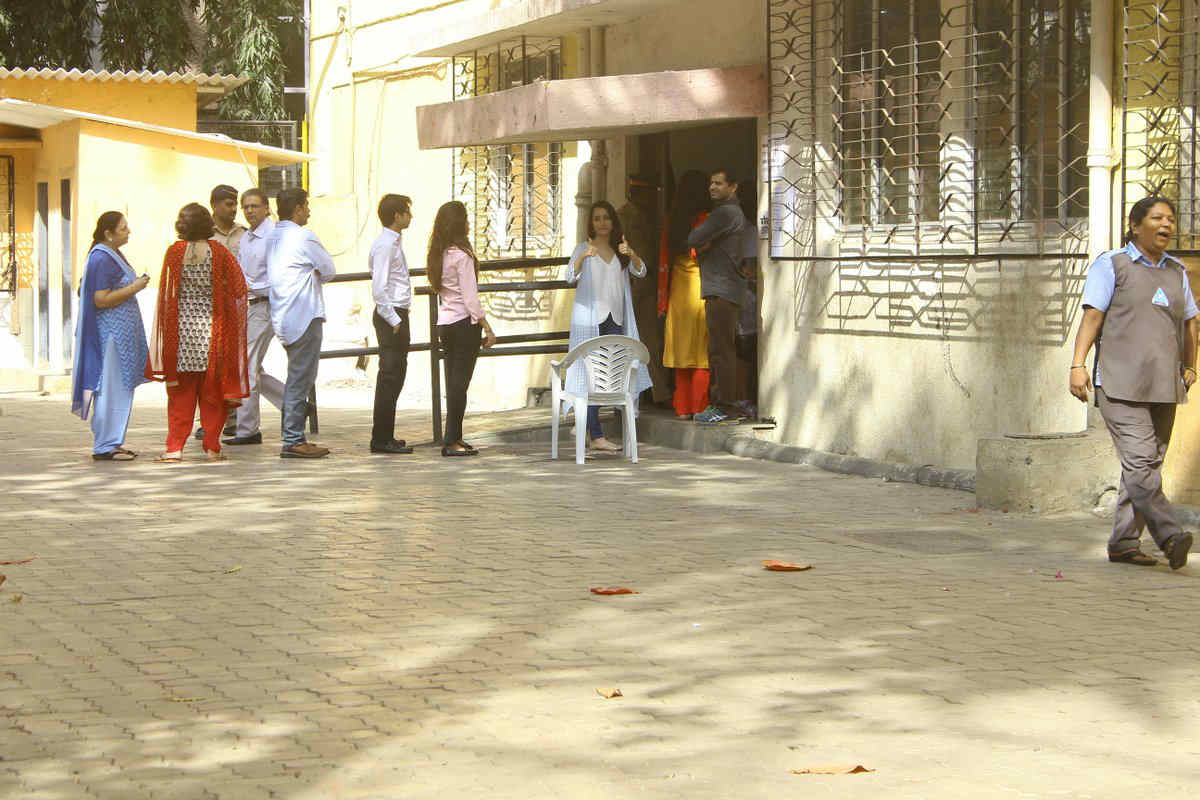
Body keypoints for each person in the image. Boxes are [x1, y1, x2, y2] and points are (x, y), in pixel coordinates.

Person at [1070, 196, 1197, 569]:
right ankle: (1169, 534)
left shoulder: (1176, 271)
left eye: (1171, 219)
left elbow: (1191, 320)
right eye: (1157, 218)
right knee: (1142, 461)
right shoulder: (1113, 264)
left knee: (1145, 465)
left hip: (1164, 385)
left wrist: (1190, 366)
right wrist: (1077, 365)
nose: (1166, 225)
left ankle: (1124, 543)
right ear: (1135, 224)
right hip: (1119, 383)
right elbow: (1093, 316)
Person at [145, 203, 249, 461]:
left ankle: (174, 448)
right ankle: (212, 447)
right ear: (207, 224)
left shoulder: (174, 252)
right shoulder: (220, 252)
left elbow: (169, 291)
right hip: (213, 332)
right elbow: (239, 288)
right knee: (212, 393)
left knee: (180, 393)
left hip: (180, 333)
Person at [566, 200, 653, 451]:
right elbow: (570, 276)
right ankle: (595, 434)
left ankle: (588, 428)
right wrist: (583, 257)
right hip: (589, 322)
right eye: (597, 218)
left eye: (606, 218)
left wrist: (632, 253)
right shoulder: (583, 248)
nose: (602, 223)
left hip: (615, 320)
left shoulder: (620, 250)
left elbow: (641, 271)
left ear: (613, 222)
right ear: (590, 223)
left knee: (609, 376)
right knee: (590, 377)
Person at [70, 212, 151, 460]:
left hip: (121, 337)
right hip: (111, 337)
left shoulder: (111, 254)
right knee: (110, 389)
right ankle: (104, 445)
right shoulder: (101, 258)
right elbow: (100, 299)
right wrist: (134, 287)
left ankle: (113, 442)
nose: (129, 232)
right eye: (124, 228)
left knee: (120, 388)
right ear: (109, 233)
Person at [268, 187, 335, 458]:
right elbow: (329, 270)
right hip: (304, 314)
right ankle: (293, 438)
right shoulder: (303, 236)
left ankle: (295, 433)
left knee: (297, 375)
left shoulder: (273, 236)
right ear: (297, 208)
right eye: (306, 205)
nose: (309, 210)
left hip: (282, 314)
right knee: (300, 378)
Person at [428, 201, 496, 457]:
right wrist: (488, 328)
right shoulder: (463, 256)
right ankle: (451, 439)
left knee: (453, 383)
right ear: (460, 224)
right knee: (460, 385)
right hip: (464, 325)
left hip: (445, 323)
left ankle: (455, 436)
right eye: (466, 218)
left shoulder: (440, 254)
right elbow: (471, 299)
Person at [223, 188, 284, 445]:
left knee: (245, 366)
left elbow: (278, 275)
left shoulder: (273, 236)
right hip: (247, 306)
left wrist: (252, 289)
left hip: (265, 305)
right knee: (252, 367)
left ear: (266, 207)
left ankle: (248, 429)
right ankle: (293, 404)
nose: (249, 211)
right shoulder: (247, 238)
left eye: (254, 206)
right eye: (245, 207)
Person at [689, 168, 747, 424]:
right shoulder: (730, 213)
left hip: (721, 289)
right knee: (724, 349)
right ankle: (728, 404)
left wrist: (703, 243)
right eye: (710, 183)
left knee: (720, 350)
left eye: (719, 183)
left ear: (732, 187)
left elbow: (693, 237)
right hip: (724, 288)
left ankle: (724, 406)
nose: (712, 187)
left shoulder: (726, 213)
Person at [195, 184, 248, 441]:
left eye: (235, 203)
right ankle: (208, 419)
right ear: (214, 205)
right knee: (207, 364)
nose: (234, 208)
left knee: (233, 362)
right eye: (228, 203)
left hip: (236, 307)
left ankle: (234, 418)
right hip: (207, 308)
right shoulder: (204, 236)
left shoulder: (245, 235)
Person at [659, 170, 713, 419]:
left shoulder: (673, 220)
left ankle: (681, 408)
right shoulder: (704, 219)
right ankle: (699, 406)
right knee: (701, 352)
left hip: (677, 289)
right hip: (699, 287)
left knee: (681, 351)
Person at [618, 175, 672, 406]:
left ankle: (651, 392)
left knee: (649, 341)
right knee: (647, 340)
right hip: (638, 284)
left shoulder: (645, 216)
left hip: (646, 283)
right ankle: (659, 393)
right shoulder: (626, 217)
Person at [368, 194, 415, 454]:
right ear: (396, 215)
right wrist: (394, 320)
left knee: (396, 376)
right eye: (407, 212)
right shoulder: (385, 244)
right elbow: (379, 287)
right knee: (389, 377)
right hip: (391, 316)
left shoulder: (393, 243)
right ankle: (381, 438)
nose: (410, 216)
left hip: (397, 313)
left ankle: (387, 434)